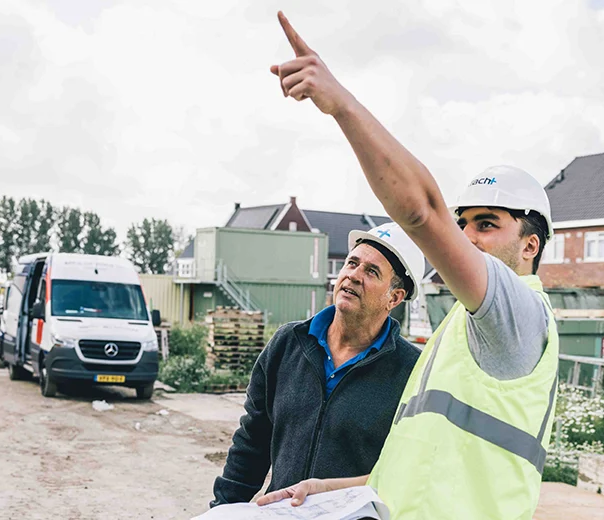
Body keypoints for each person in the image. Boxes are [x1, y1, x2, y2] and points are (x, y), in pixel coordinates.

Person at [257, 13, 560, 519]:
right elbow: (415, 464)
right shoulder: (459, 332)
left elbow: (421, 211)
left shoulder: (517, 316)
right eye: (464, 224)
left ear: (530, 247)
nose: (467, 237)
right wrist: (325, 487)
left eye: (488, 224)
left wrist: (341, 105)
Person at [208, 222, 425, 508]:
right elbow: (252, 441)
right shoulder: (289, 343)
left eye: (371, 272)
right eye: (352, 263)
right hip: (283, 513)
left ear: (394, 298)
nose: (352, 276)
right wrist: (223, 509)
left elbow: (408, 472)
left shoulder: (412, 371)